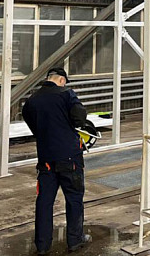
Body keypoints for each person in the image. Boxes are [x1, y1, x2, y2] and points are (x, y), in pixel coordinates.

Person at [22, 67, 92, 254]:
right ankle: (75, 240)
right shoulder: (67, 94)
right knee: (74, 198)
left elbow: (32, 125)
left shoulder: (32, 100)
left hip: (45, 158)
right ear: (61, 80)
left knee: (44, 201)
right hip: (69, 157)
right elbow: (79, 118)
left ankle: (42, 245)